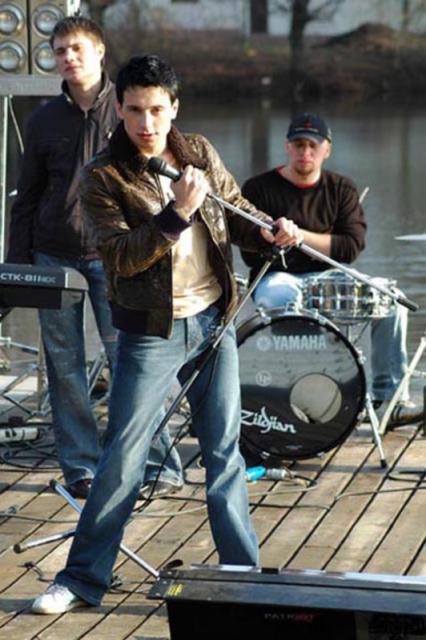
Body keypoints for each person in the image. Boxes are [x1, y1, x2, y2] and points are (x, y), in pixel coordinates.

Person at [30, 54, 302, 614]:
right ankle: (81, 579)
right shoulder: (103, 175)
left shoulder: (198, 151)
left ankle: (242, 573)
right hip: (150, 333)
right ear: (119, 109)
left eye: (156, 109)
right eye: (135, 110)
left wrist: (270, 232)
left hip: (214, 322)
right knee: (123, 459)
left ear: (174, 107)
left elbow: (236, 211)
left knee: (224, 452)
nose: (146, 123)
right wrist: (177, 213)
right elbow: (120, 258)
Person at [6, 16, 182, 500]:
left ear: (100, 53)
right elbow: (27, 197)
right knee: (65, 367)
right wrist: (18, 265)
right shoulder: (42, 120)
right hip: (53, 254)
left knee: (134, 361)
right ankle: (81, 466)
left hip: (115, 255)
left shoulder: (129, 110)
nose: (68, 58)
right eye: (60, 50)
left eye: (77, 49)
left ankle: (156, 464)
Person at [240, 112, 421, 427]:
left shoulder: (342, 188)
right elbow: (249, 253)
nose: (305, 152)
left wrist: (300, 236)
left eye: (313, 145)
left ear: (327, 149)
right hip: (277, 276)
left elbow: (350, 247)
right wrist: (273, 236)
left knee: (390, 300)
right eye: (299, 144)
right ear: (287, 146)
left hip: (330, 276)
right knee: (280, 300)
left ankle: (390, 399)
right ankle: (295, 398)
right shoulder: (259, 188)